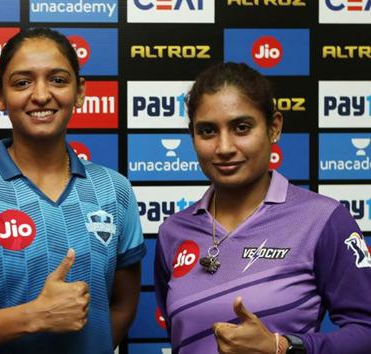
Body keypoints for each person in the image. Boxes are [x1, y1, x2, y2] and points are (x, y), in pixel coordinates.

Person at [0, 27, 145, 354]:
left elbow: (121, 307)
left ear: (80, 92)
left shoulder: (114, 191)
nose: (41, 95)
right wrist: (34, 317)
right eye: (22, 82)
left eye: (58, 80)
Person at [154, 62, 371, 354]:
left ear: (274, 127)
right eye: (207, 131)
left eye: (241, 127)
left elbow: (365, 331)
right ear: (192, 137)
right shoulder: (173, 231)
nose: (224, 147)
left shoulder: (322, 219)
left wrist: (283, 346)